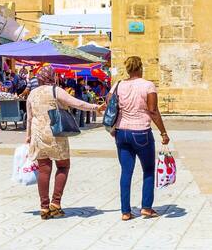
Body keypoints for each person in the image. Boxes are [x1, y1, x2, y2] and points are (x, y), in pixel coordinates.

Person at [28, 68, 103, 219]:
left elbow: (29, 118)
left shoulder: (32, 93)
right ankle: (55, 203)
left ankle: (44, 207)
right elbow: (77, 104)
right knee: (63, 166)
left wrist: (28, 136)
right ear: (52, 77)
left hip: (38, 134)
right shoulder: (56, 91)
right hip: (56, 134)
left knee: (43, 169)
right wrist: (95, 107)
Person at [111, 56, 170, 221]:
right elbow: (153, 110)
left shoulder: (118, 85)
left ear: (128, 69)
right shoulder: (148, 85)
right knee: (148, 170)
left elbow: (109, 101)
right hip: (141, 133)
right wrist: (163, 133)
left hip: (121, 132)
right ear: (140, 68)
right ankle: (146, 208)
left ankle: (125, 211)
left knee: (126, 172)